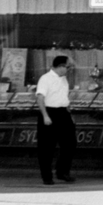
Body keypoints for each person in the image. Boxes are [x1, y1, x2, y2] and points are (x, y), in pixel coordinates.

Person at [34, 54, 77, 185]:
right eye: (67, 67)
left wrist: (69, 114)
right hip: (49, 111)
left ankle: (62, 172)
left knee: (70, 144)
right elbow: (40, 98)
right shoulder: (45, 79)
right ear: (61, 66)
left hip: (63, 112)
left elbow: (63, 97)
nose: (69, 70)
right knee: (47, 146)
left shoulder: (63, 79)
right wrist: (45, 116)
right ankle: (46, 176)